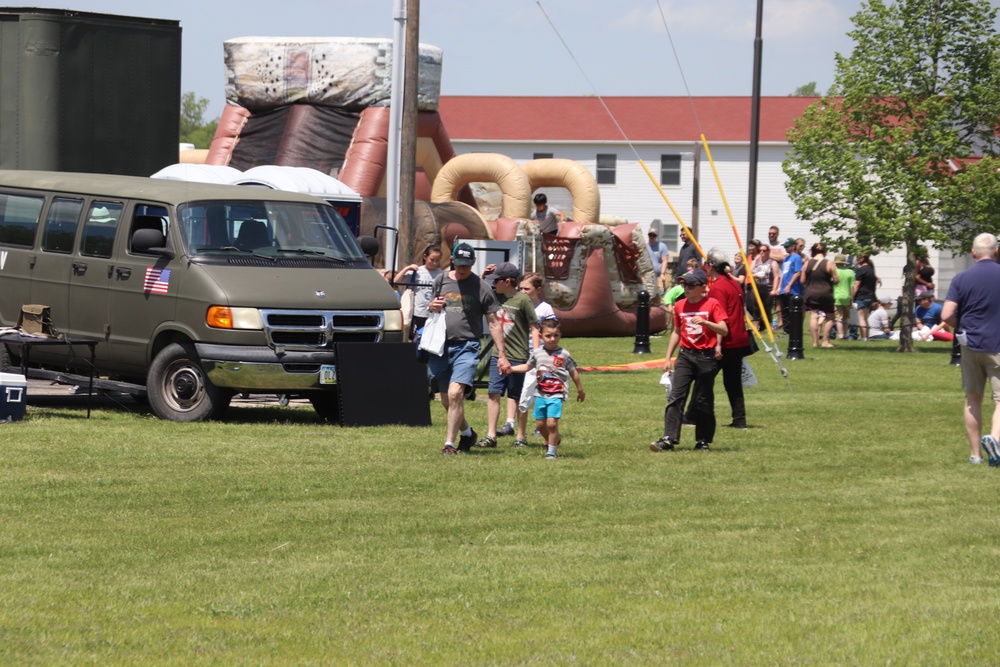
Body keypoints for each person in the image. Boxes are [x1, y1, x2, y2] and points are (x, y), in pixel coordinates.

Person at [428, 242, 510, 455]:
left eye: (467, 264)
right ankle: (467, 433)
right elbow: (431, 308)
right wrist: (431, 307)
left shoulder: (481, 287)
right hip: (441, 346)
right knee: (447, 399)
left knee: (456, 393)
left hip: (467, 345)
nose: (463, 268)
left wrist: (501, 353)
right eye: (459, 263)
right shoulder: (440, 280)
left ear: (473, 262)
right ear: (453, 260)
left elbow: (493, 322)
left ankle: (449, 444)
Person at [650, 267, 729, 452]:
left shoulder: (712, 304)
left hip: (706, 357)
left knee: (703, 400)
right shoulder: (680, 305)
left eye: (692, 284)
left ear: (703, 287)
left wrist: (706, 323)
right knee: (676, 396)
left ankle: (703, 441)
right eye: (684, 284)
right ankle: (668, 439)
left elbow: (724, 330)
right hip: (685, 355)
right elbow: (676, 332)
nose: (687, 288)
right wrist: (668, 358)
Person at [941, 233, 1000, 465]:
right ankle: (994, 440)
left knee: (972, 398)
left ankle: (975, 455)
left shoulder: (961, 278)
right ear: (996, 251)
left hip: (970, 345)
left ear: (973, 252)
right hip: (997, 344)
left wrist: (961, 325)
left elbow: (946, 314)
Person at [474, 262, 539, 449]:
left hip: (518, 356)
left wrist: (536, 354)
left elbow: (534, 328)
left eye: (497, 280)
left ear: (508, 281)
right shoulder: (495, 296)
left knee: (517, 396)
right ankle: (491, 435)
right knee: (493, 393)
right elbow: (476, 290)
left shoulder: (523, 300)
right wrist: (483, 275)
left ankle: (520, 436)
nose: (494, 284)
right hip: (498, 355)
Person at [510, 319, 585, 459]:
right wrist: (511, 369)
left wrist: (580, 390)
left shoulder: (564, 354)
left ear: (560, 335)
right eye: (548, 336)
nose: (552, 339)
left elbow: (573, 371)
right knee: (540, 425)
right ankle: (554, 439)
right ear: (540, 336)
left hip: (557, 393)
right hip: (541, 393)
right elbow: (527, 367)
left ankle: (551, 451)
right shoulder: (537, 353)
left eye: (556, 335)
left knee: (551, 423)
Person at [704, 248, 751, 429]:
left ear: (711, 266)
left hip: (727, 341)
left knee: (704, 378)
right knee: (733, 383)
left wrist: (717, 345)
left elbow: (720, 318)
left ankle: (692, 416)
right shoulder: (734, 284)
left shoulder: (718, 287)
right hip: (740, 340)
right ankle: (739, 420)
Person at [516, 271, 556, 443]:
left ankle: (543, 428)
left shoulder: (545, 309)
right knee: (522, 395)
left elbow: (553, 331)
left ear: (538, 290)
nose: (523, 292)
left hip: (540, 357)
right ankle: (520, 435)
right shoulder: (517, 305)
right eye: (521, 289)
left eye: (527, 289)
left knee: (543, 393)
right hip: (520, 353)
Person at [395, 244, 443, 339]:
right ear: (425, 256)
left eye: (437, 261)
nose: (434, 263)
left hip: (434, 313)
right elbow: (396, 282)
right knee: (418, 339)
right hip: (419, 313)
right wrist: (407, 268)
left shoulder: (441, 274)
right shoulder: (418, 271)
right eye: (432, 260)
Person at [801, 242, 839, 348]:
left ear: (813, 251)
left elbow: (802, 280)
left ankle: (815, 342)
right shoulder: (829, 263)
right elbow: (836, 280)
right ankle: (825, 341)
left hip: (810, 293)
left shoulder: (807, 263)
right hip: (825, 293)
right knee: (830, 317)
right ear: (824, 251)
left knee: (814, 316)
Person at [750, 244, 780, 330]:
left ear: (768, 251)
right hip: (757, 288)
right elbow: (749, 272)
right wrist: (755, 275)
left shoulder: (772, 263)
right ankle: (756, 327)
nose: (762, 252)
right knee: (756, 307)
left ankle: (769, 327)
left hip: (768, 288)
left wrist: (774, 289)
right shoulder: (756, 261)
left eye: (764, 250)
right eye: (760, 251)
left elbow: (776, 277)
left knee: (767, 308)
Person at [779, 237, 804, 332]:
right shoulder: (786, 259)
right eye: (785, 247)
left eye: (787, 246)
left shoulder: (797, 257)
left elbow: (797, 272)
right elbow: (783, 274)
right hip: (783, 288)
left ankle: (793, 330)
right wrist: (779, 287)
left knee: (792, 310)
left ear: (793, 246)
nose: (786, 248)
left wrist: (789, 286)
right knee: (784, 311)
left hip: (793, 289)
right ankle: (786, 330)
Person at [852, 254, 878, 341]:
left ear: (862, 259)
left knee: (861, 318)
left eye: (857, 258)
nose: (856, 260)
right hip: (869, 296)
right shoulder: (871, 269)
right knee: (865, 318)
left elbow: (856, 285)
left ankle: (863, 337)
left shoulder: (861, 270)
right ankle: (867, 337)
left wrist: (852, 297)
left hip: (861, 296)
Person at [832, 254, 856, 340]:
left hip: (836, 296)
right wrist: (851, 299)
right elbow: (852, 287)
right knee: (845, 317)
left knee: (838, 317)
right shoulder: (850, 272)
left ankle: (840, 335)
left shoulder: (834, 272)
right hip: (847, 297)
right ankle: (845, 334)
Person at [647, 229, 670, 294]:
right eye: (650, 235)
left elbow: (665, 261)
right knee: (649, 294)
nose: (651, 237)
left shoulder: (662, 246)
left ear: (656, 236)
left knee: (660, 294)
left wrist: (662, 274)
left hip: (658, 275)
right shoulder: (645, 247)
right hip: (648, 276)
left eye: (653, 235)